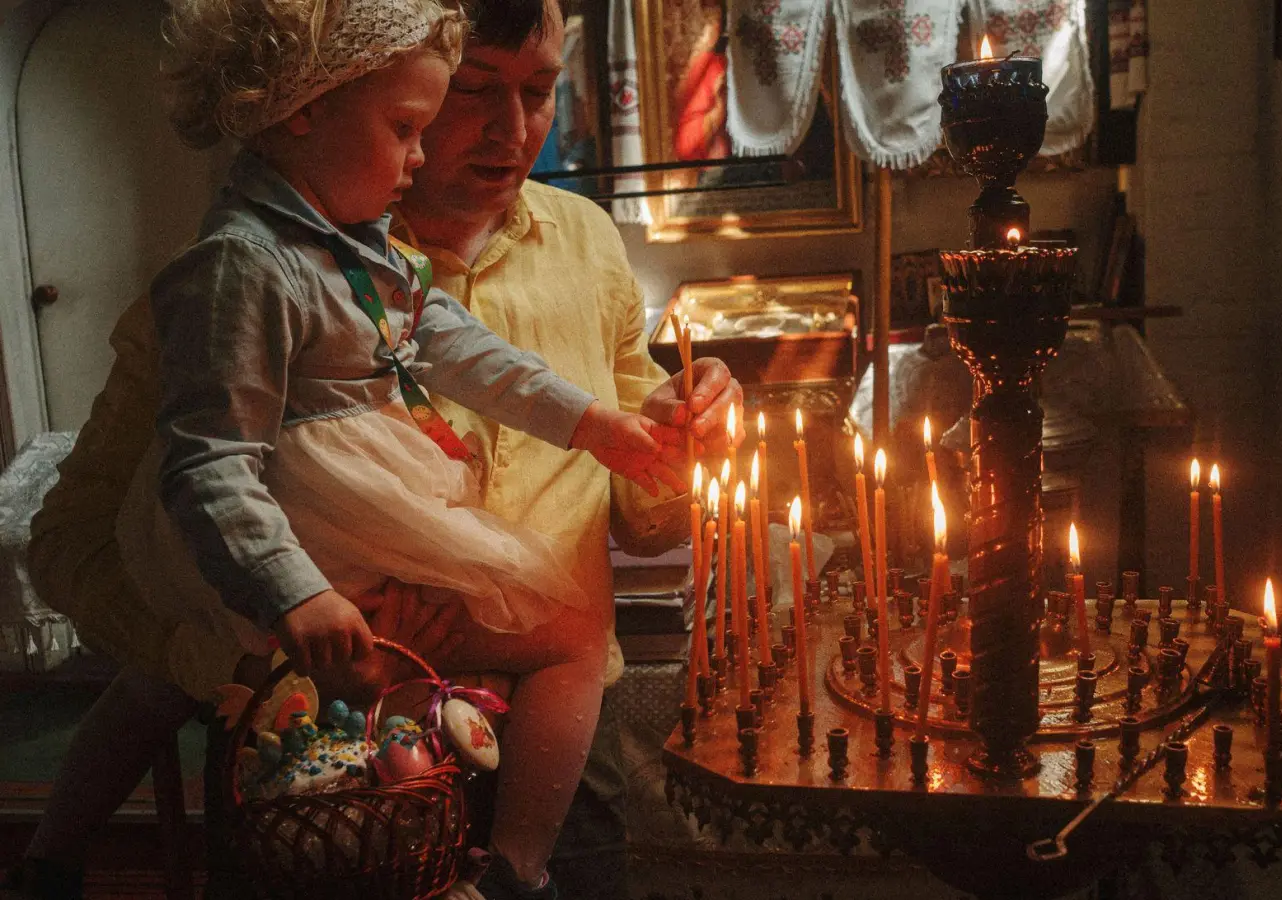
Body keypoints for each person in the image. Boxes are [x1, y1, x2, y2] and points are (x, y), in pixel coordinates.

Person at [9, 0, 741, 897]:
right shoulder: (229, 276)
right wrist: (264, 650)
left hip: (550, 757)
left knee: (571, 658)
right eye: (469, 92)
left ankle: (517, 870)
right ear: (324, 101)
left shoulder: (568, 241)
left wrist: (668, 436)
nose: (513, 131)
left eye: (541, 91)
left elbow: (638, 504)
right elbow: (83, 536)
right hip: (308, 744)